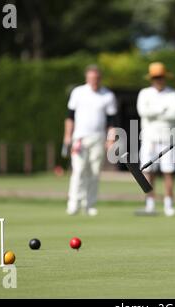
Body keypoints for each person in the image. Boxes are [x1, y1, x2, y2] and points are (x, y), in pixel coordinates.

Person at [63, 65, 117, 216]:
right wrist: (67, 135)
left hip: (98, 138)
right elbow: (70, 116)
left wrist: (110, 140)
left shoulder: (108, 95)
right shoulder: (78, 92)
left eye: (97, 78)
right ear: (87, 78)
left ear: (100, 78)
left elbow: (112, 121)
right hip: (79, 138)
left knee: (94, 172)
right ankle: (73, 204)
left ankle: (90, 204)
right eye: (91, 78)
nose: (94, 81)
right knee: (79, 170)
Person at [137, 62, 175, 216]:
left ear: (165, 77)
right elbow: (143, 112)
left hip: (168, 139)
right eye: (155, 77)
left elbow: (174, 115)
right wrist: (162, 110)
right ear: (151, 78)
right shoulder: (144, 93)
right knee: (148, 172)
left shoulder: (174, 94)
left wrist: (154, 112)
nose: (158, 80)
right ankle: (150, 204)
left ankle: (168, 204)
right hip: (149, 138)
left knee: (168, 172)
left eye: (161, 77)